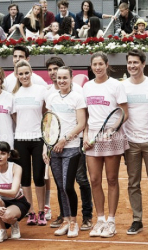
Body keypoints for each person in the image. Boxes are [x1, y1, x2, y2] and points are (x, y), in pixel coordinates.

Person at [83, 52, 128, 238]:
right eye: (95, 64)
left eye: (101, 64)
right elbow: (85, 116)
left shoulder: (116, 85)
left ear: (107, 65)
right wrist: (85, 135)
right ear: (91, 66)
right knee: (94, 180)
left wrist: (113, 131)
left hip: (112, 136)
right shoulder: (86, 86)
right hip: (92, 136)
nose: (98, 67)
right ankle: (100, 220)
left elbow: (124, 113)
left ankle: (111, 221)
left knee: (111, 179)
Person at [45, 57, 93, 231]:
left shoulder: (78, 97)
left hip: (71, 148)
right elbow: (48, 124)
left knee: (67, 186)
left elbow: (81, 124)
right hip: (54, 149)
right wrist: (46, 146)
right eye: (59, 77)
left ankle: (74, 222)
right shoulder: (51, 98)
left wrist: (64, 139)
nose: (62, 80)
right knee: (59, 187)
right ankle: (65, 220)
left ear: (71, 78)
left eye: (65, 77)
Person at [122, 49, 148, 235]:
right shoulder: (122, 86)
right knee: (133, 183)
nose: (132, 66)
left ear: (143, 64)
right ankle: (137, 220)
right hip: (130, 142)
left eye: (135, 62)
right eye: (129, 62)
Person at [11, 60, 47, 226]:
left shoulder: (41, 90)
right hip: (21, 140)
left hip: (38, 139)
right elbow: (15, 117)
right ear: (17, 75)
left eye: (26, 73)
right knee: (25, 178)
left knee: (39, 177)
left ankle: (41, 212)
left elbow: (46, 114)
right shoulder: (14, 95)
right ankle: (31, 211)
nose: (24, 76)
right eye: (21, 74)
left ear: (31, 72)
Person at [0, 141, 30, 243]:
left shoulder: (16, 168)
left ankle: (14, 223)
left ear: (8, 155)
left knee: (7, 215)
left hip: (18, 201)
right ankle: (3, 230)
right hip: (1, 201)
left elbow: (13, 192)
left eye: (3, 154)